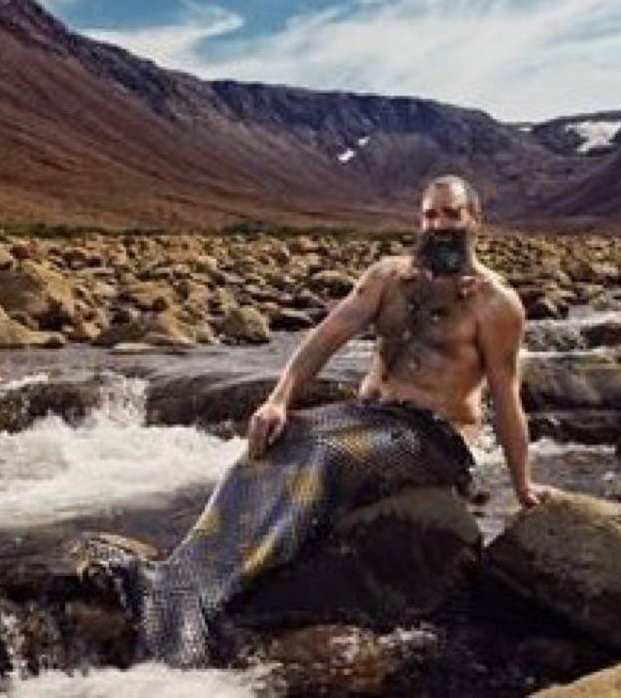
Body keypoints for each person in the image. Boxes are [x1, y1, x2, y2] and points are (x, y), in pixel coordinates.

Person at [79, 174, 547, 667]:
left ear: (475, 220)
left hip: (434, 439)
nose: (441, 225)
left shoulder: (497, 303)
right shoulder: (390, 277)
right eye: (431, 214)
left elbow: (506, 396)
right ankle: (174, 577)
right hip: (371, 414)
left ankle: (207, 598)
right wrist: (279, 400)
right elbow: (328, 336)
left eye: (453, 214)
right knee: (273, 443)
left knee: (325, 455)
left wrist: (523, 486)